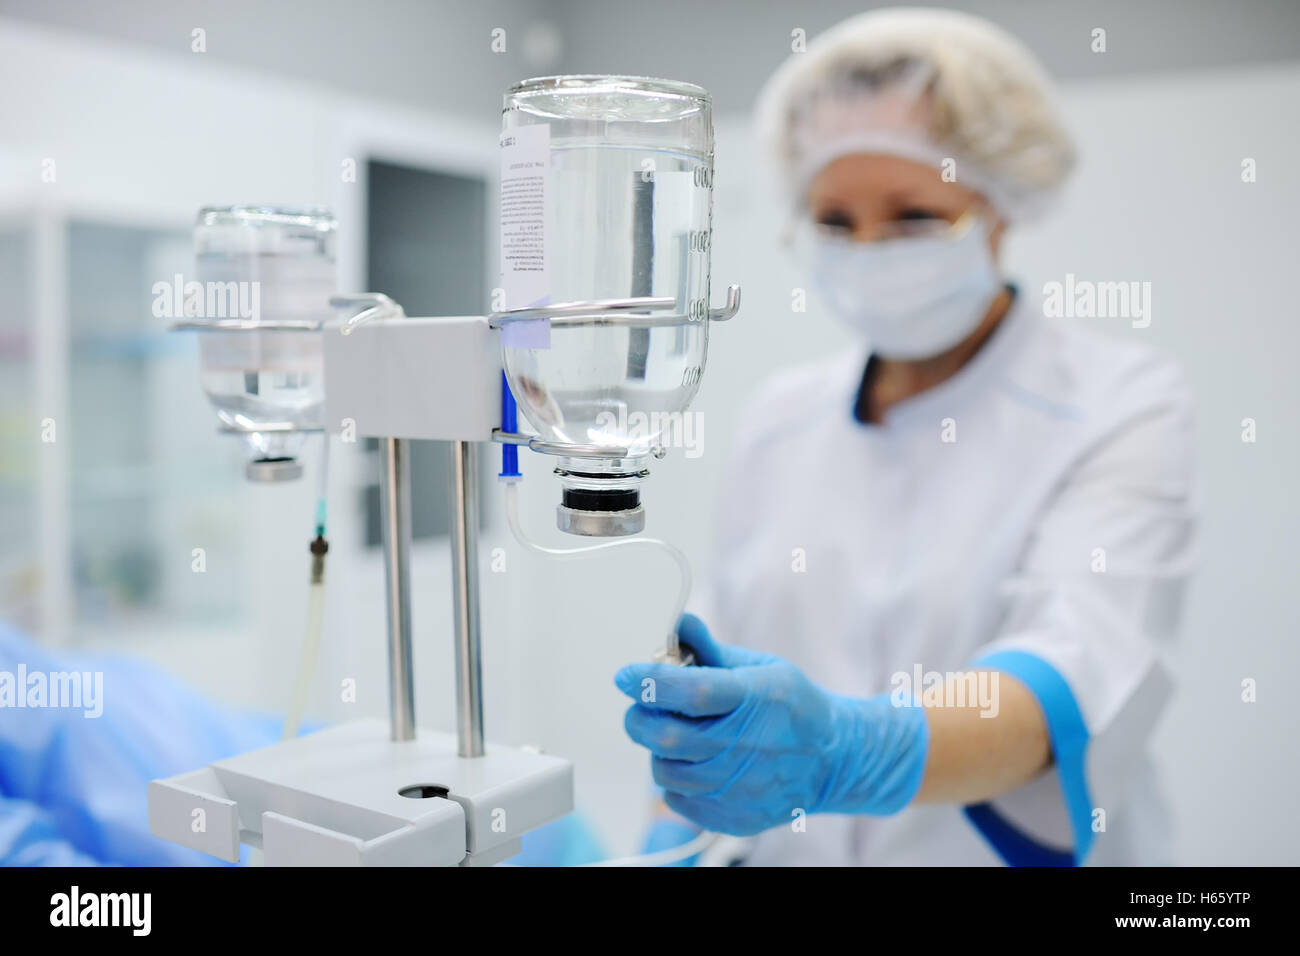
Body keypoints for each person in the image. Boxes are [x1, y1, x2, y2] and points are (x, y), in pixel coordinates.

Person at [616, 7, 1197, 866]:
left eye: (915, 216)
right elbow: (721, 656)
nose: (872, 250)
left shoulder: (1120, 403)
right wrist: (673, 829)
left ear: (1002, 204)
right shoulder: (781, 416)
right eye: (836, 223)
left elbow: (1074, 672)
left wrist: (849, 752)